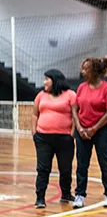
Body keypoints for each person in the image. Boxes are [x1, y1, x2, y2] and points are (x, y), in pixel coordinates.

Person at [71, 57, 107, 209]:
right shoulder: (82, 87)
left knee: (104, 162)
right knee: (82, 163)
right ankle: (80, 195)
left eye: (86, 68)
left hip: (102, 130)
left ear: (94, 71)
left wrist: (93, 129)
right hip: (83, 130)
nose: (82, 71)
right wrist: (79, 128)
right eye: (82, 68)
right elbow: (75, 109)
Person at [31, 69, 76, 208]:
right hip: (43, 138)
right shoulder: (41, 95)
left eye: (47, 79)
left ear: (55, 80)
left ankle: (66, 194)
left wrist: (72, 134)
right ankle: (40, 198)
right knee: (43, 169)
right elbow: (34, 114)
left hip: (64, 138)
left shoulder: (70, 95)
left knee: (65, 168)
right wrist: (35, 133)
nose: (44, 82)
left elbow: (76, 115)